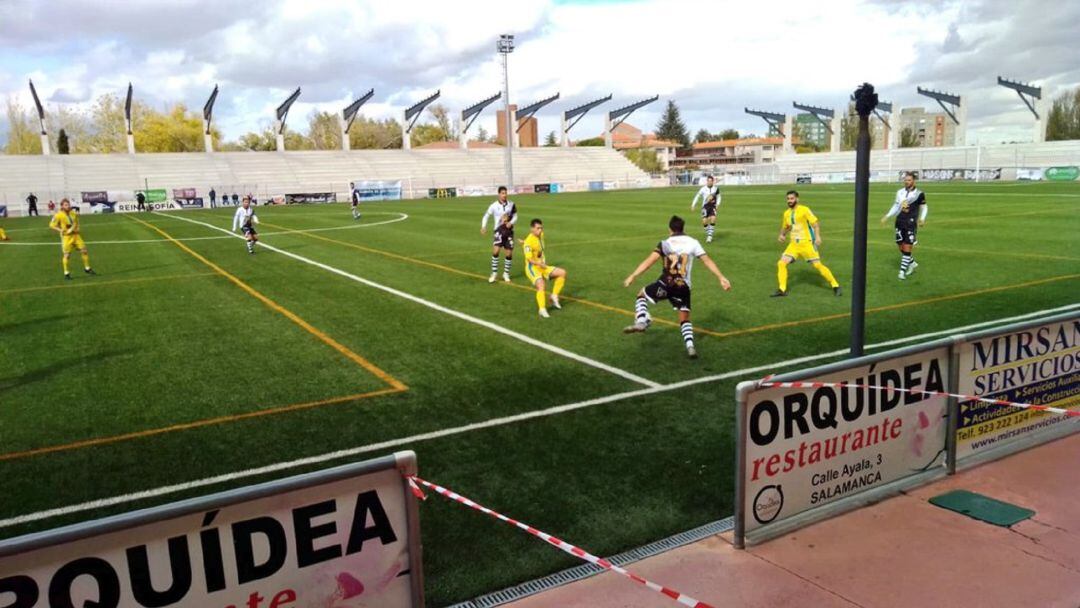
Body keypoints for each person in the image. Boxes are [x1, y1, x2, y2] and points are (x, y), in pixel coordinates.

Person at [622, 215, 731, 359]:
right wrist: (721, 277)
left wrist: (633, 276)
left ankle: (642, 321)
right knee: (684, 318)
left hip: (665, 284)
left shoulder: (665, 243)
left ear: (670, 229)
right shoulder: (693, 242)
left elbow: (649, 262)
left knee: (641, 294)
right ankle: (690, 347)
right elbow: (707, 260)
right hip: (683, 287)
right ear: (683, 228)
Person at [772, 190, 841, 297]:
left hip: (807, 243)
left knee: (818, 265)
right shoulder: (787, 213)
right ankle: (782, 289)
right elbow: (787, 227)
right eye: (788, 199)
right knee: (781, 263)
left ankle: (835, 285)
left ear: (797, 199)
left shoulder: (804, 210)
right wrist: (782, 235)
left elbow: (815, 224)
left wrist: (818, 237)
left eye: (792, 198)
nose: (789, 201)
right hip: (794, 244)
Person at [881, 171, 929, 280]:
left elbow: (924, 207)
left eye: (909, 180)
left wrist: (922, 218)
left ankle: (902, 272)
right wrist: (887, 216)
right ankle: (912, 263)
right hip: (899, 222)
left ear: (913, 181)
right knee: (900, 246)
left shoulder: (919, 194)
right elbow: (896, 205)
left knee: (907, 246)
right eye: (905, 180)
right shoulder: (899, 192)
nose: (906, 182)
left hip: (910, 223)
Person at [522, 218, 567, 318]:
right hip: (532, 267)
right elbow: (529, 259)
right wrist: (539, 263)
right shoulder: (528, 243)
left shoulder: (540, 235)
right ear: (532, 229)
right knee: (541, 285)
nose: (540, 230)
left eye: (541, 228)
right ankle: (542, 309)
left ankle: (554, 296)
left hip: (542, 266)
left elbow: (536, 245)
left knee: (562, 273)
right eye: (538, 228)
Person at [48, 198, 95, 279]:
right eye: (66, 205)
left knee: (84, 251)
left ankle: (87, 268)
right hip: (67, 237)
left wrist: (77, 227)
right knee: (67, 255)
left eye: (68, 204)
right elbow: (51, 225)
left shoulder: (73, 213)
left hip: (76, 236)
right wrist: (60, 230)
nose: (68, 206)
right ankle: (66, 273)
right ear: (62, 206)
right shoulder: (58, 215)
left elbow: (76, 221)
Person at [480, 186, 518, 283]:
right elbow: (486, 216)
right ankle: (494, 273)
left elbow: (515, 216)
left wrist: (511, 223)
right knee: (496, 251)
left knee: (509, 253)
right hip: (499, 231)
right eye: (502, 193)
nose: (504, 195)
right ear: (499, 194)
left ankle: (506, 274)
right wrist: (483, 226)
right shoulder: (493, 205)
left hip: (509, 232)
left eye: (505, 193)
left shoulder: (511, 204)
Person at [689, 175, 721, 243]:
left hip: (713, 206)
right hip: (705, 207)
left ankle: (709, 237)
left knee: (713, 219)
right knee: (704, 222)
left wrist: (717, 204)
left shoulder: (716, 189)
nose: (709, 182)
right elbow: (697, 196)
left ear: (713, 182)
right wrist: (693, 205)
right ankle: (709, 233)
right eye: (708, 181)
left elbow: (719, 197)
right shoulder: (703, 189)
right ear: (706, 181)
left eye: (710, 181)